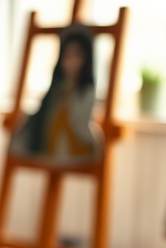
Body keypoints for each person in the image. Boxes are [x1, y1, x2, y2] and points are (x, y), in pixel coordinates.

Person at [10, 26, 100, 164]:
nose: (71, 61)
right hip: (48, 142)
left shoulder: (85, 91)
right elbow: (43, 113)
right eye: (67, 55)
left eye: (76, 55)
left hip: (72, 145)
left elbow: (80, 123)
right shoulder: (57, 89)